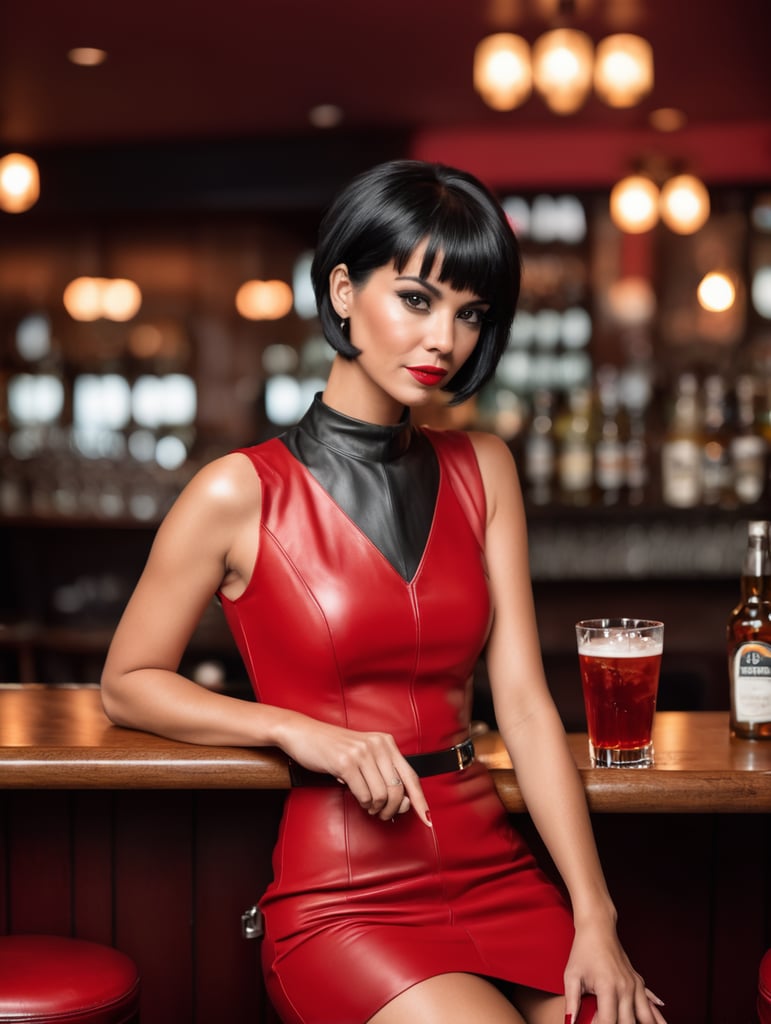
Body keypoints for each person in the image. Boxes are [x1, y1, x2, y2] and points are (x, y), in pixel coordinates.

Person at [101, 160, 666, 1024]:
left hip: (496, 869)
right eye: (415, 298)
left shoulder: (485, 470)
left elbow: (521, 704)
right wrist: (298, 731)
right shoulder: (236, 491)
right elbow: (127, 681)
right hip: (347, 897)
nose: (444, 337)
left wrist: (596, 916)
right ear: (341, 287)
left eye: (469, 313)